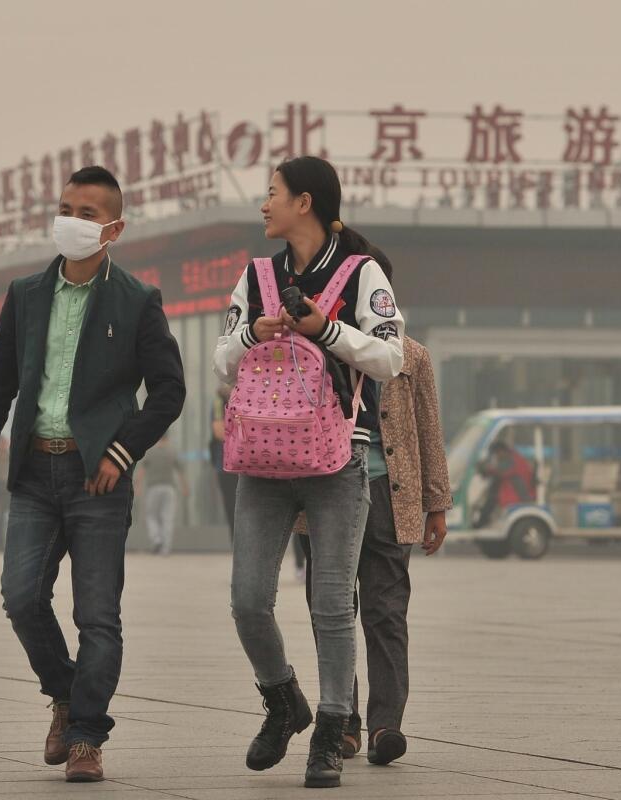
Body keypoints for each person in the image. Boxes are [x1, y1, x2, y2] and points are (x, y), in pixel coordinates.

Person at [0, 166, 185, 783]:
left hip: (97, 482)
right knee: (21, 596)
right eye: (65, 208)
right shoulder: (26, 294)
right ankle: (64, 692)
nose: (71, 220)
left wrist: (121, 452)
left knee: (97, 616)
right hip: (34, 473)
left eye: (86, 213)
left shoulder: (137, 301)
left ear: (113, 228)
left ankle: (86, 736)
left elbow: (169, 391)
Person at [212, 156, 404, 789]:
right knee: (247, 600)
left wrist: (326, 328)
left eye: (272, 194)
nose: (263, 206)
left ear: (306, 203)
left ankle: (329, 729)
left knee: (330, 602)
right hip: (263, 457)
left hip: (338, 454)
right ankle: (281, 699)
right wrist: (254, 335)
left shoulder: (361, 273)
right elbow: (220, 364)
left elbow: (390, 358)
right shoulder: (255, 277)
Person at [297, 316, 452, 766]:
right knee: (331, 608)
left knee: (386, 611)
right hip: (325, 490)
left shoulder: (411, 355)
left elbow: (429, 429)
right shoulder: (317, 345)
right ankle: (342, 721)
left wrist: (436, 503)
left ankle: (387, 724)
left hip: (390, 494)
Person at [138, 433, 188, 556]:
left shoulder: (150, 452)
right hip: (169, 488)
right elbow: (180, 472)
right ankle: (166, 549)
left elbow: (141, 471)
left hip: (153, 488)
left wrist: (138, 486)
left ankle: (156, 539)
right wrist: (185, 487)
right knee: (168, 518)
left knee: (151, 516)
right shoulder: (172, 452)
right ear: (167, 438)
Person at [475, 440, 535, 527]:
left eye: (496, 454)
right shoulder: (512, 456)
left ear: (501, 451)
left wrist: (486, 469)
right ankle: (483, 520)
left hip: (520, 494)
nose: (497, 457)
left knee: (493, 495)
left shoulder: (512, 459)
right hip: (515, 489)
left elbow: (502, 471)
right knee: (493, 489)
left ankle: (482, 522)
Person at [207, 385, 237, 540]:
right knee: (231, 507)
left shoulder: (252, 392)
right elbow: (218, 431)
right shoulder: (219, 401)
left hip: (249, 465)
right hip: (226, 464)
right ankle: (237, 549)